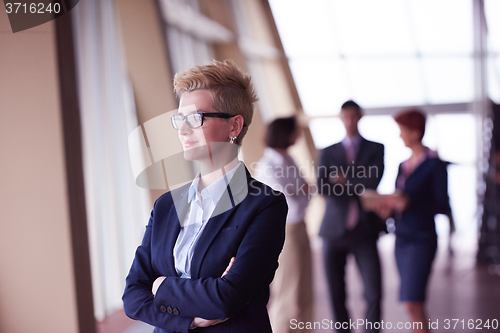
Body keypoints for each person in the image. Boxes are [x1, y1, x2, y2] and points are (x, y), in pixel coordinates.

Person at [122, 59, 288, 333]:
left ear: (234, 127)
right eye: (179, 119)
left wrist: (161, 285)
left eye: (196, 118)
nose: (183, 130)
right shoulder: (166, 205)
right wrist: (190, 320)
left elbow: (226, 298)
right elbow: (132, 296)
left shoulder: (263, 204)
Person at [376, 109, 450, 333]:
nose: (400, 136)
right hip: (402, 238)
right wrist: (388, 209)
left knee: (412, 301)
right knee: (412, 303)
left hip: (422, 238)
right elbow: (401, 200)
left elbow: (441, 204)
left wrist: (410, 203)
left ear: (415, 132)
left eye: (403, 131)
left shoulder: (434, 165)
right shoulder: (403, 166)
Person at [317, 100, 384, 333]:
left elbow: (373, 181)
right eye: (345, 116)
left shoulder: (376, 148)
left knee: (374, 292)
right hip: (333, 231)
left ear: (360, 117)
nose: (349, 121)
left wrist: (343, 180)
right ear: (341, 118)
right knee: (336, 294)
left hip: (365, 230)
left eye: (353, 116)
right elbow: (322, 188)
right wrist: (356, 182)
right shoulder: (327, 151)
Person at [255, 116, 313, 333]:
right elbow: (289, 199)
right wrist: (300, 191)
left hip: (300, 226)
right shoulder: (267, 165)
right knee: (288, 290)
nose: (298, 135)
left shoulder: (289, 158)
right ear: (284, 133)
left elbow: (304, 193)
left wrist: (299, 192)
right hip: (285, 230)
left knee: (305, 290)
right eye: (294, 131)